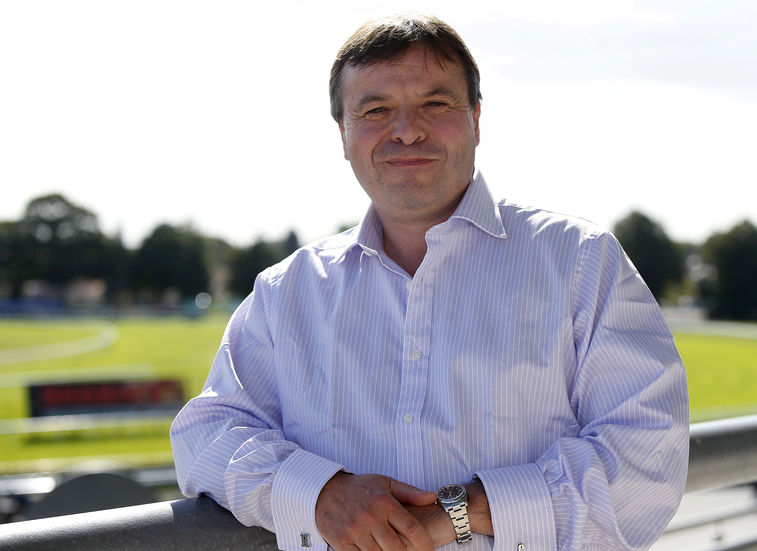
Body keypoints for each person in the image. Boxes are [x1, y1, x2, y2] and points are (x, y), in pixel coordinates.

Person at [170, 14, 689, 551]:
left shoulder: (583, 262)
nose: (406, 130)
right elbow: (206, 436)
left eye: (435, 104)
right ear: (343, 135)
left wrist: (463, 511)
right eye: (375, 110)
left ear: (477, 121)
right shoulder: (287, 292)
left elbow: (647, 456)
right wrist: (320, 496)